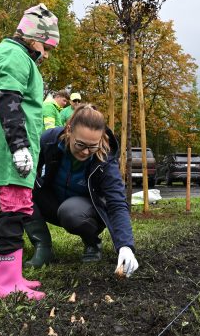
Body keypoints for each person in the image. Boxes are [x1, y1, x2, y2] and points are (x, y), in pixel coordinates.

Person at [0, 3, 60, 301]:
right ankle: (5, 282)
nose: (46, 55)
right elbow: (9, 101)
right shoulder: (15, 56)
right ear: (33, 36)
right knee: (13, 211)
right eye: (46, 47)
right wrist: (19, 145)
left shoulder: (6, 54)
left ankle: (12, 275)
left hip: (10, 148)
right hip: (10, 149)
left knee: (16, 208)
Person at [24, 104, 139, 278]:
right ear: (69, 130)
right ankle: (43, 247)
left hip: (84, 211)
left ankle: (92, 242)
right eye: (80, 144)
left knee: (70, 212)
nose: (85, 152)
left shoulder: (105, 159)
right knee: (23, 191)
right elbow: (27, 173)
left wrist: (125, 246)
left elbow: (116, 203)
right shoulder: (49, 140)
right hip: (53, 201)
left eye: (92, 146)